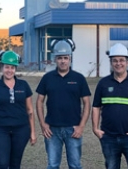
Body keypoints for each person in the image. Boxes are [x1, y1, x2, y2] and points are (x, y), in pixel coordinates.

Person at [35, 39, 91, 169]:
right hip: (52, 130)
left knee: (75, 165)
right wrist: (43, 125)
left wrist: (81, 126)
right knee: (53, 165)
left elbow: (87, 103)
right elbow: (39, 101)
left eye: (66, 57)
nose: (63, 61)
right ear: (55, 59)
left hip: (73, 129)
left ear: (70, 59)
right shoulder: (47, 78)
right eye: (60, 58)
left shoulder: (79, 78)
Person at [0, 51, 37, 169]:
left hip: (21, 130)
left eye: (12, 67)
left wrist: (33, 132)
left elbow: (30, 110)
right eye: (6, 67)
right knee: (2, 164)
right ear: (2, 67)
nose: (9, 70)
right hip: (0, 130)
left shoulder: (23, 85)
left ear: (15, 69)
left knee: (15, 164)